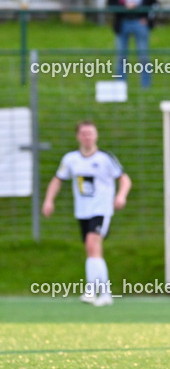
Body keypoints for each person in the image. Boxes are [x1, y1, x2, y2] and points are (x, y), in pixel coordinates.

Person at [41, 121, 131, 306]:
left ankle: (91, 291)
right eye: (84, 133)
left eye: (90, 133)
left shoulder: (105, 158)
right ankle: (104, 294)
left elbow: (125, 179)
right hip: (82, 211)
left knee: (92, 243)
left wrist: (121, 196)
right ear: (78, 136)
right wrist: (49, 200)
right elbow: (57, 180)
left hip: (101, 209)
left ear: (96, 135)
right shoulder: (70, 159)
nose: (87, 137)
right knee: (93, 250)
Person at [106, 0, 158, 88]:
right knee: (121, 56)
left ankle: (146, 86)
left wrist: (146, 17)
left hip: (140, 23)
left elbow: (154, 3)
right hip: (123, 22)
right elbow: (110, 3)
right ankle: (120, 85)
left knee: (143, 55)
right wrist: (124, 7)